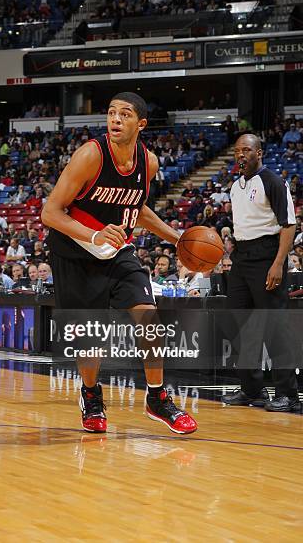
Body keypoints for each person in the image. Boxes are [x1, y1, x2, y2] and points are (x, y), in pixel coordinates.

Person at [42, 92, 197, 435]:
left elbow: (135, 209)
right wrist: (93, 236)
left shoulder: (149, 163)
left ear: (140, 123)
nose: (115, 119)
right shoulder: (90, 156)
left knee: (149, 316)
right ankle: (91, 394)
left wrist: (176, 238)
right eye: (111, 112)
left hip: (116, 248)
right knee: (90, 335)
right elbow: (50, 212)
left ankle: (156, 397)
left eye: (124, 114)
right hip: (74, 250)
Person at [222, 134, 300, 412]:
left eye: (247, 150)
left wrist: (279, 263)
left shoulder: (273, 181)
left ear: (260, 153)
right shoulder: (235, 186)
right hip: (242, 257)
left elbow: (288, 225)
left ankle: (288, 394)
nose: (241, 154)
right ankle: (252, 390)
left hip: (268, 256)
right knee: (237, 324)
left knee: (274, 327)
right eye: (237, 151)